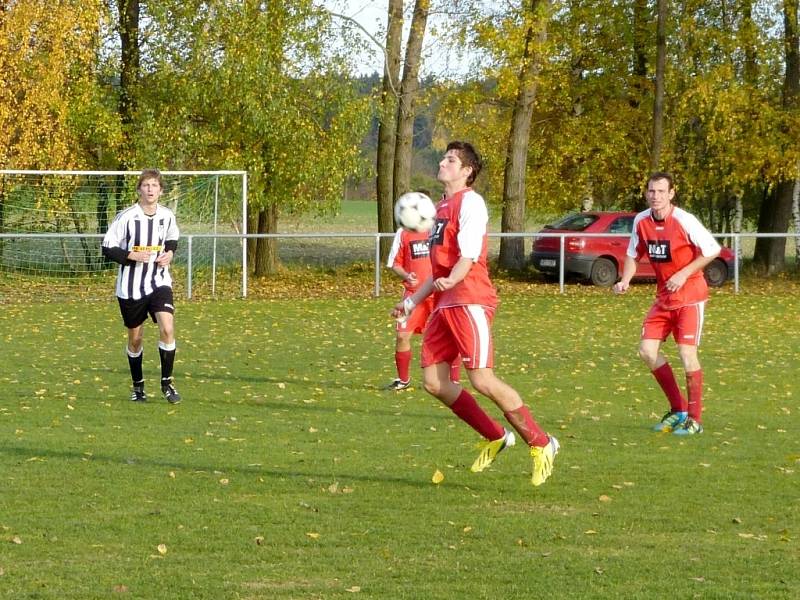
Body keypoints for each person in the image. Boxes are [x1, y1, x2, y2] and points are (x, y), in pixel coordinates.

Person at [392, 141, 559, 486]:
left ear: (467, 171)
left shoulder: (471, 201)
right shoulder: (439, 208)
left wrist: (453, 278)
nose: (443, 162)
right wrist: (410, 302)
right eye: (444, 157)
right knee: (435, 383)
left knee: (481, 378)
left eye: (451, 160)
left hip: (469, 298)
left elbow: (468, 254)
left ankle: (542, 443)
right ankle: (495, 435)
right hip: (444, 301)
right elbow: (437, 271)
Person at [612, 172, 720, 435]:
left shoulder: (685, 220)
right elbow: (632, 254)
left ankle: (694, 419)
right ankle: (678, 408)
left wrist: (683, 274)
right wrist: (625, 280)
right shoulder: (641, 221)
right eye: (651, 191)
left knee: (686, 354)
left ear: (671, 194)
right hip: (664, 298)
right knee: (647, 352)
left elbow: (712, 249)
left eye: (661, 191)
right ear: (646, 193)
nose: (655, 196)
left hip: (690, 296)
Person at [101, 169, 182, 404]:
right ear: (139, 190)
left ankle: (167, 383)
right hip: (131, 287)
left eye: (154, 186)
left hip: (159, 281)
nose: (150, 190)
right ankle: (138, 387)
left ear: (160, 190)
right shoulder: (126, 217)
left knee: (167, 328)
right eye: (146, 185)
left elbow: (172, 238)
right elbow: (107, 247)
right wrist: (131, 256)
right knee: (135, 338)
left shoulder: (166, 216)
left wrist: (170, 253)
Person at [385, 217, 460, 390]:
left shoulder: (439, 229)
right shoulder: (403, 233)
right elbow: (395, 264)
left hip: (440, 294)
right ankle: (403, 380)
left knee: (450, 336)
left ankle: (453, 380)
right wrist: (405, 275)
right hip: (413, 295)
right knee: (402, 336)